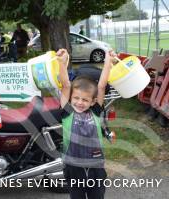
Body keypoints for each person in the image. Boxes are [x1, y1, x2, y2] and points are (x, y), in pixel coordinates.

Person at [57, 48, 114, 199]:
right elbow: (66, 85)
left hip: (96, 168)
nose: (80, 102)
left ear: (93, 101)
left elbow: (101, 86)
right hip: (73, 168)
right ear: (70, 98)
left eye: (85, 100)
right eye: (76, 98)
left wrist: (108, 62)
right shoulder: (67, 112)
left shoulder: (95, 111)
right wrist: (62, 63)